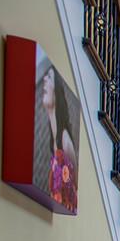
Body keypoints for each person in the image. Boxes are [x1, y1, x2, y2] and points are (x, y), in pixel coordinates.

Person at [39, 64, 77, 211]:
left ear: (57, 93)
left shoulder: (65, 140)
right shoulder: (53, 138)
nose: (44, 79)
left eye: (49, 77)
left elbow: (75, 187)